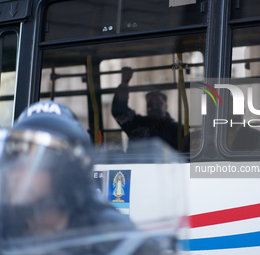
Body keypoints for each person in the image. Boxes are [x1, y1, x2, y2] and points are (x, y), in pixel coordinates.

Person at [0, 101, 160, 254]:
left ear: (65, 174)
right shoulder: (6, 226)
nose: (16, 175)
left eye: (31, 164)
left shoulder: (111, 236)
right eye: (12, 161)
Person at [111, 67, 183, 150]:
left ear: (166, 107)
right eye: (150, 104)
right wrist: (124, 83)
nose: (154, 107)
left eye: (159, 104)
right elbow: (119, 111)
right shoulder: (137, 124)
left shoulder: (176, 130)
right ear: (146, 106)